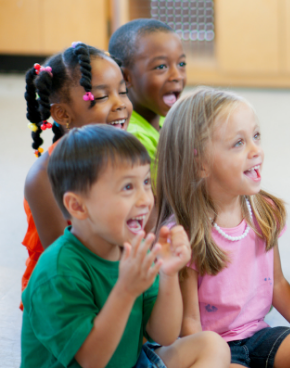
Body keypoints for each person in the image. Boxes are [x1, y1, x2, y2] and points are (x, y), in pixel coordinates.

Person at [156, 88, 290, 368]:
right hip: (215, 349)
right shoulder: (184, 233)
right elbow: (190, 322)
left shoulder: (263, 210)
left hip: (258, 335)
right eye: (238, 143)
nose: (256, 150)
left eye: (255, 136)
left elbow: (277, 284)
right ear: (200, 163)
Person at [21, 124, 229, 368]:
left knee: (211, 346)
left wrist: (168, 273)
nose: (145, 200)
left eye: (145, 183)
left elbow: (165, 335)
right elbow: (92, 360)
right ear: (77, 206)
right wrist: (126, 290)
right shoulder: (57, 271)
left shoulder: (133, 249)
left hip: (130, 362)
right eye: (128, 187)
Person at [21, 42, 133, 306]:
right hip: (66, 291)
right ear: (62, 113)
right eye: (102, 97)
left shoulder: (126, 154)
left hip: (115, 270)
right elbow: (63, 260)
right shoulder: (44, 176)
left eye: (123, 92)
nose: (120, 104)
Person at [109, 19, 186, 179]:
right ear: (126, 77)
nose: (177, 76)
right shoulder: (133, 140)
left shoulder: (168, 121)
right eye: (161, 67)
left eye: (181, 63)